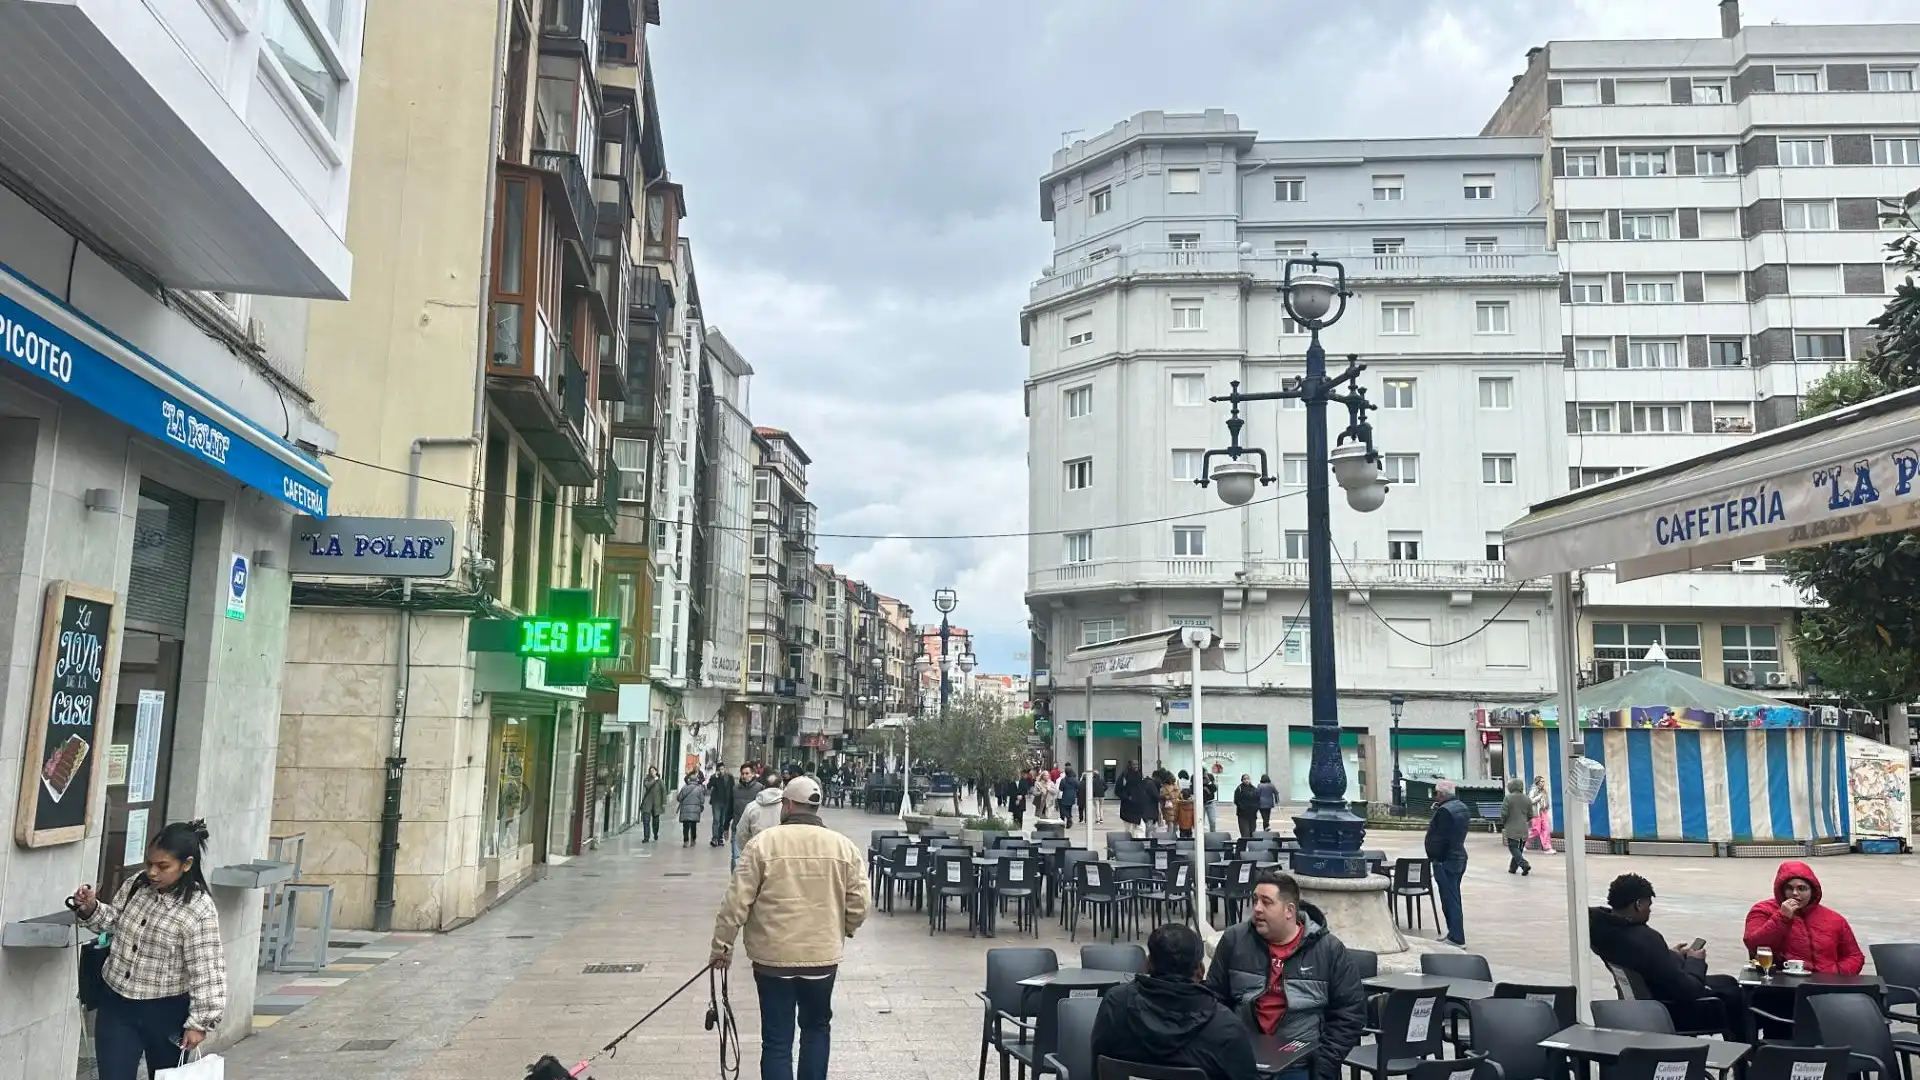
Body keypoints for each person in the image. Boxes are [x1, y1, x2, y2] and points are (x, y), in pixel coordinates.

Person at [710, 776, 870, 1080]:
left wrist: (722, 948)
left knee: (776, 1039)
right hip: (821, 958)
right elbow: (860, 902)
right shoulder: (843, 847)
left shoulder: (762, 844)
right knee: (816, 1029)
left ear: (788, 805)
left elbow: (735, 902)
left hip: (772, 960)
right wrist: (842, 928)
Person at [70, 820, 228, 1080]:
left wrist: (199, 1023)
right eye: (149, 863)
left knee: (164, 1076)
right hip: (117, 1004)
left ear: (186, 864)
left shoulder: (199, 909)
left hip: (166, 1013)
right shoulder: (137, 885)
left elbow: (207, 971)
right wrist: (90, 908)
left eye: (163, 866)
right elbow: (115, 922)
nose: (153, 872)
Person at [1206, 872, 1366, 1080]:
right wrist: (1226, 1046)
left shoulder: (1328, 949)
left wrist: (1324, 1065)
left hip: (1302, 1064)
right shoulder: (1234, 940)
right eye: (1255, 900)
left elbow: (1350, 1013)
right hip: (1243, 1059)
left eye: (1266, 902)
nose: (1257, 909)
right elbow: (1213, 999)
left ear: (1289, 910)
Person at [1093, 923, 1260, 1080]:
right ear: (1200, 971)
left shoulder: (1115, 1004)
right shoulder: (1225, 1026)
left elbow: (1098, 1068)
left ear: (1148, 964)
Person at [1590, 873, 1743, 1039]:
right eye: (1648, 905)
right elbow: (1689, 991)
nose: (1650, 910)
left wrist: (1671, 955)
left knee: (1727, 981)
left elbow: (1648, 961)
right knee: (1736, 995)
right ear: (1638, 904)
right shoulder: (1646, 939)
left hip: (1644, 999)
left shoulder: (1604, 931)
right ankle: (1745, 1049)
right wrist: (1695, 961)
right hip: (1668, 1010)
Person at [1742, 861, 1865, 974]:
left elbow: (1854, 956)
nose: (1795, 893)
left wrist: (1835, 974)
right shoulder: (1762, 910)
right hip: (1782, 981)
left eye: (1801, 888)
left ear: (1812, 891)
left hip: (1827, 982)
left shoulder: (1834, 919)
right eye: (1789, 888)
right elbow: (1753, 944)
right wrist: (1782, 917)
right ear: (1781, 890)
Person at [1424, 778, 1470, 946]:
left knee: (1450, 899)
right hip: (1458, 856)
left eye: (1436, 793)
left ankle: (1456, 937)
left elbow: (1441, 838)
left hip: (1446, 860)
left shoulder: (1444, 811)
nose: (1435, 796)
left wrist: (1437, 857)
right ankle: (1453, 933)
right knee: (1453, 896)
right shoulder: (1461, 807)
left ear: (1442, 794)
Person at [736, 779, 787, 854]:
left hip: (758, 853)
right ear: (781, 786)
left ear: (764, 786)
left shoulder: (751, 807)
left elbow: (742, 832)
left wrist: (747, 849)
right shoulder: (788, 806)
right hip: (782, 854)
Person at [1499, 777, 1533, 876]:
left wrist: (1503, 822)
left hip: (1512, 827)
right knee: (1519, 849)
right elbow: (1531, 814)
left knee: (1513, 848)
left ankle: (1524, 864)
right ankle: (1512, 868)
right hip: (1524, 828)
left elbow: (1504, 813)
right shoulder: (1527, 798)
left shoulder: (1508, 798)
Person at [676, 770, 709, 846]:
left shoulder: (684, 788)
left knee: (686, 826)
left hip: (685, 810)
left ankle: (686, 841)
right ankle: (693, 840)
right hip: (695, 811)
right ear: (696, 780)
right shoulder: (699, 789)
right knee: (693, 826)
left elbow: (679, 798)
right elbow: (702, 800)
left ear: (689, 780)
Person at [638, 765, 666, 843]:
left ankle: (655, 833)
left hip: (656, 804)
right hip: (647, 803)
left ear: (656, 771)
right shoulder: (647, 779)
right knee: (646, 821)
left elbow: (664, 791)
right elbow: (647, 786)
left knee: (656, 821)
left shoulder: (660, 781)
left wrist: (664, 802)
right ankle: (646, 837)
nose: (652, 772)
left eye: (653, 771)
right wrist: (654, 780)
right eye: (650, 771)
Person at [1528, 776, 1555, 854]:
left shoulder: (1544, 791)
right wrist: (1539, 797)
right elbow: (1530, 800)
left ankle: (1547, 848)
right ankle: (1523, 842)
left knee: (1546, 829)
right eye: (1541, 781)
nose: (1543, 783)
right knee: (1536, 830)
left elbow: (1546, 800)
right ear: (1537, 782)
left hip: (1543, 812)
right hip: (1536, 813)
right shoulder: (1533, 790)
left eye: (1543, 781)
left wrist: (1546, 806)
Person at [1233, 774, 1260, 839]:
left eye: (1248, 779)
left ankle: (1251, 844)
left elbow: (1257, 799)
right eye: (1244, 779)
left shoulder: (1254, 789)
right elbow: (1237, 800)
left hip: (1252, 814)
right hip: (1243, 815)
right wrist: (1243, 808)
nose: (1246, 780)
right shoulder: (1239, 789)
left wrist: (1256, 808)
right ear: (1242, 780)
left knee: (1252, 832)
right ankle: (1245, 845)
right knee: (1245, 833)